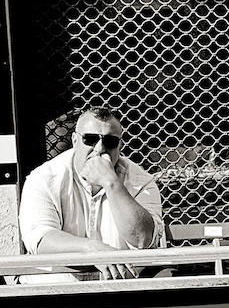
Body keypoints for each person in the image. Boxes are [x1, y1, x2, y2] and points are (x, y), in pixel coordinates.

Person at [18, 106, 164, 280]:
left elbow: (143, 240)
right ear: (75, 140)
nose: (100, 148)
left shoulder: (141, 181)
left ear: (120, 145)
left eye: (110, 141)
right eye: (90, 139)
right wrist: (91, 249)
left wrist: (111, 183)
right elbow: (41, 239)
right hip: (55, 288)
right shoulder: (44, 178)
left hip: (120, 286)